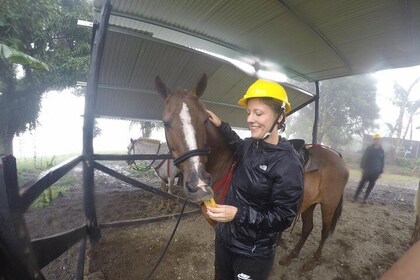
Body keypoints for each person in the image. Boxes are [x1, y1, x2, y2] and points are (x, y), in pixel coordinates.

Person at [205, 79, 304, 280]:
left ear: (280, 117)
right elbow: (236, 143)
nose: (250, 119)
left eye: (258, 113)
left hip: (253, 253)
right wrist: (221, 125)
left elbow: (283, 217)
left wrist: (238, 214)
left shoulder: (288, 163)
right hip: (224, 240)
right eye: (248, 112)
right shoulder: (250, 145)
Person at [353, 133, 385, 203]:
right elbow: (364, 158)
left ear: (380, 140)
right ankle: (355, 197)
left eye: (378, 139)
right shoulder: (369, 149)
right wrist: (362, 168)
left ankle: (365, 198)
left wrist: (381, 172)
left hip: (376, 171)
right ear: (374, 140)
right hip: (367, 170)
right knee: (362, 184)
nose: (377, 141)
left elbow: (382, 162)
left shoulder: (381, 150)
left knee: (371, 185)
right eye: (375, 139)